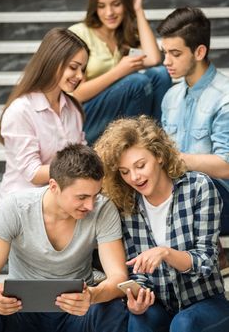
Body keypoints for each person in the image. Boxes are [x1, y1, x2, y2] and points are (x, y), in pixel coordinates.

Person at [94, 115, 229, 332]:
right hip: (159, 303)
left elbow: (206, 261)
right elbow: (138, 273)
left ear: (158, 155)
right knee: (138, 320)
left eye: (140, 165)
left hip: (205, 302)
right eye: (124, 172)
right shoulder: (126, 203)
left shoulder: (198, 187)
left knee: (184, 324)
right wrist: (136, 301)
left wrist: (166, 253)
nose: (135, 177)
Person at [0, 143, 128, 332]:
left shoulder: (103, 209)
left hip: (78, 311)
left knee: (113, 308)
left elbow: (118, 277)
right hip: (21, 310)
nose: (90, 206)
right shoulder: (15, 207)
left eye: (95, 195)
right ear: (54, 186)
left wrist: (93, 295)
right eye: (81, 197)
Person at [157, 7, 229, 274]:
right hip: (182, 193)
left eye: (175, 54)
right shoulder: (171, 97)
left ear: (199, 52)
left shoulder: (224, 98)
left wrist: (176, 161)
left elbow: (226, 165)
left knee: (192, 180)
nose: (166, 61)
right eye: (165, 52)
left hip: (221, 197)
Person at [69, 0, 172, 145]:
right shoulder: (79, 34)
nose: (109, 12)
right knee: (137, 81)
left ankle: (157, 143)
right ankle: (133, 145)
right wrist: (119, 71)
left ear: (126, 1)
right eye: (101, 6)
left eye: (116, 4)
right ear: (94, 6)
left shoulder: (125, 35)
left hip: (118, 115)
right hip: (86, 118)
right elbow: (77, 94)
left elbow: (154, 58)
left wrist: (138, 9)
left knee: (160, 75)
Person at [0, 27, 89, 200]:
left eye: (82, 69)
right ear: (53, 61)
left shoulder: (73, 108)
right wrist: (81, 165)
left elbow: (81, 154)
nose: (79, 76)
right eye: (73, 67)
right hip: (21, 207)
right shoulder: (20, 110)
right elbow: (34, 173)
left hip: (59, 203)